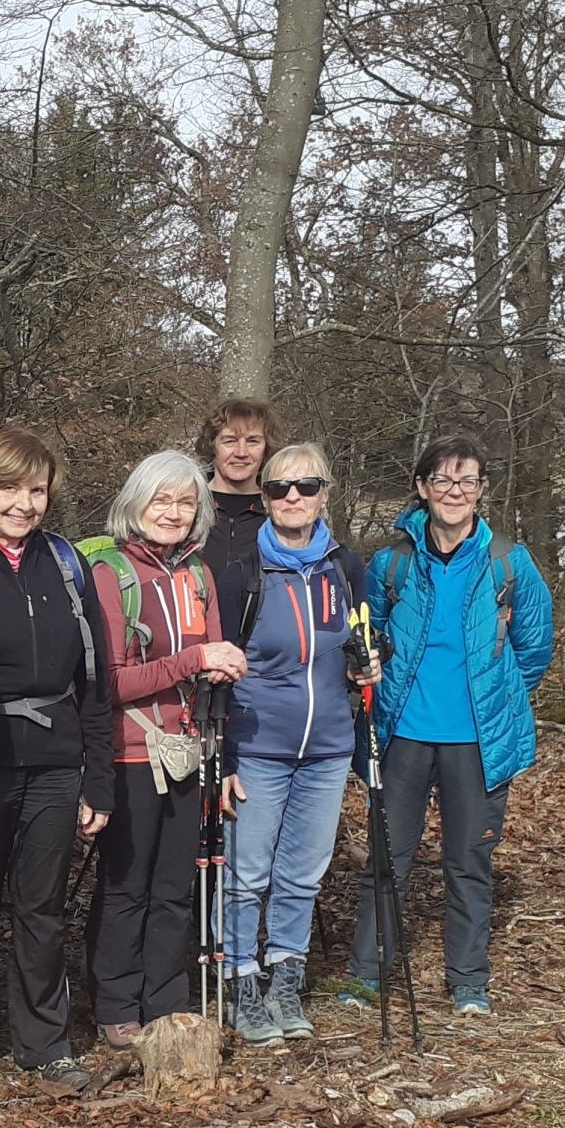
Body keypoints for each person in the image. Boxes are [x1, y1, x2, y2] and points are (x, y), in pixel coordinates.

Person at [338, 434, 553, 1017]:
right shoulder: (392, 563)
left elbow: (533, 651)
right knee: (389, 858)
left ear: (482, 491)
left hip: (479, 743)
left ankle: (468, 982)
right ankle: (366, 977)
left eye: (467, 481)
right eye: (443, 480)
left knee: (469, 863)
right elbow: (369, 639)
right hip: (402, 734)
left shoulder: (511, 562)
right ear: (421, 488)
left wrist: (491, 698)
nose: (455, 491)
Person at [0, 428, 113, 1091]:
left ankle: (45, 1041)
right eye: (8, 487)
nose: (23, 502)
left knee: (41, 907)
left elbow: (95, 680)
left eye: (36, 489)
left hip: (58, 765)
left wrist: (100, 778)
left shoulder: (67, 564)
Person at [212, 443, 373, 1046]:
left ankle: (286, 978)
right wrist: (224, 758)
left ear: (325, 494)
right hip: (258, 745)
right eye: (280, 489)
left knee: (303, 874)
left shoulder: (346, 567)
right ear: (264, 499)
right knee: (248, 874)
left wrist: (365, 671)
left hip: (328, 746)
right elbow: (221, 672)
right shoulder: (243, 573)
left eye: (306, 487)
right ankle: (242, 982)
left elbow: (356, 646)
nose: (293, 498)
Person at [84, 452, 246, 1046]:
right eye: (161, 500)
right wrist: (196, 660)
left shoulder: (198, 576)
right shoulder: (111, 576)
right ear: (136, 503)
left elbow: (212, 660)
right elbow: (112, 682)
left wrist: (220, 669)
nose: (173, 513)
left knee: (176, 886)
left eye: (185, 502)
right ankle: (116, 1004)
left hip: (190, 750)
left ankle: (166, 1003)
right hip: (129, 753)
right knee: (127, 887)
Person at [197, 399, 278, 580]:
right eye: (230, 441)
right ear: (213, 445)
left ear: (266, 448)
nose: (241, 452)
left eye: (252, 441)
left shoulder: (276, 511)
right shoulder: (190, 505)